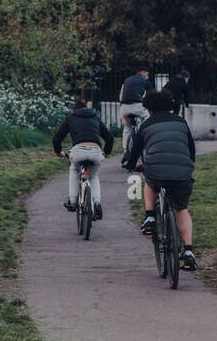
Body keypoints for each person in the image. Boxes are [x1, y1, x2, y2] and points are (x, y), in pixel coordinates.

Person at [123, 88, 200, 270]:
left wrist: (131, 165)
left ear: (149, 108)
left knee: (149, 181)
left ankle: (150, 217)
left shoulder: (146, 126)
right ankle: (188, 251)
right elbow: (191, 149)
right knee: (182, 209)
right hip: (182, 172)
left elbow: (134, 153)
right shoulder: (181, 122)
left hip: (156, 169)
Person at [52, 97, 114, 219]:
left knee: (74, 170)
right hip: (95, 151)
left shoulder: (71, 118)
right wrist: (105, 153)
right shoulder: (95, 117)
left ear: (75, 109)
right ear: (87, 108)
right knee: (93, 176)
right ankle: (96, 203)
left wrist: (58, 152)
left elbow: (57, 138)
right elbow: (110, 138)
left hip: (78, 151)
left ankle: (73, 202)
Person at [118, 65, 151, 163]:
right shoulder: (145, 81)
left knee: (127, 128)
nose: (148, 76)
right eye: (147, 74)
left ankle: (125, 150)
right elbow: (151, 95)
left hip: (124, 108)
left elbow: (121, 97)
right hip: (137, 106)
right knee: (147, 122)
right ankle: (143, 141)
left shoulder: (127, 80)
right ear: (143, 72)